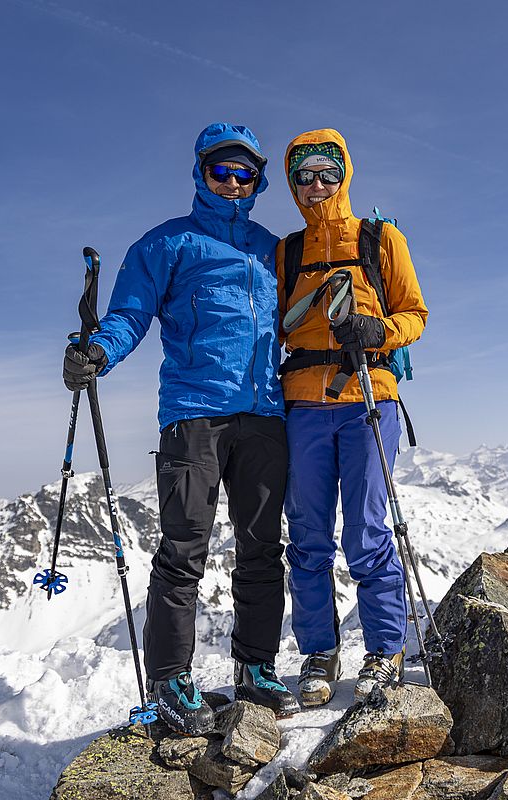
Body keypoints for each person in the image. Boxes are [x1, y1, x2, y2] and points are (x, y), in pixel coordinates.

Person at [63, 123, 297, 734]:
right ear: (201, 173)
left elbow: (305, 320)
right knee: (184, 548)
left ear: (258, 181)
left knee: (261, 548)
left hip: (265, 414)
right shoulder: (167, 243)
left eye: (245, 173)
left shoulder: (272, 250)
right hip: (194, 413)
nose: (233, 181)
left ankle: (256, 667)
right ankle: (171, 681)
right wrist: (99, 352)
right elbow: (129, 315)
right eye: (222, 170)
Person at [276, 129, 428, 706]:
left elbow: (415, 313)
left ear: (344, 175)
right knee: (307, 535)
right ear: (292, 183)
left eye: (327, 172)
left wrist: (378, 331)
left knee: (366, 530)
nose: (316, 184)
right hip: (302, 403)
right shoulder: (288, 252)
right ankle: (319, 651)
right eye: (304, 175)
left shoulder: (380, 238)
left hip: (369, 395)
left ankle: (385, 650)